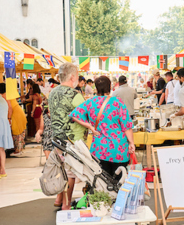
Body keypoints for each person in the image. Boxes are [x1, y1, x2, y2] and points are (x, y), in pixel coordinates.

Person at [69, 75, 135, 178]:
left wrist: (90, 126)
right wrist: (131, 143)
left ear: (96, 87)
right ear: (109, 86)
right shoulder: (117, 102)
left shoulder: (90, 102)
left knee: (103, 183)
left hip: (99, 150)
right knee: (120, 182)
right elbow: (127, 126)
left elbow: (74, 115)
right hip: (119, 149)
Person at [47, 62, 85, 209]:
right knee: (70, 172)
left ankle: (59, 198)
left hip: (56, 138)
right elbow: (84, 114)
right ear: (72, 77)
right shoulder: (75, 94)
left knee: (61, 168)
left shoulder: (53, 92)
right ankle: (66, 204)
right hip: (72, 139)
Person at [4, 83, 27, 155]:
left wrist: (9, 118)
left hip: (15, 115)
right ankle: (19, 149)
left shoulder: (4, 96)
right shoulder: (8, 94)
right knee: (19, 132)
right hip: (18, 113)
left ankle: (18, 150)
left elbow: (9, 108)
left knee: (16, 132)